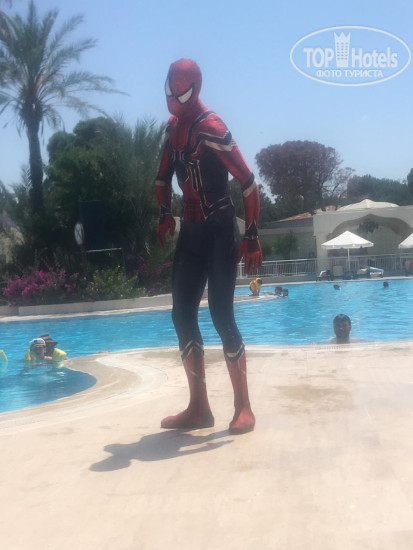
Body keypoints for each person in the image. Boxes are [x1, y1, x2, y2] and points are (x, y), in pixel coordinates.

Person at [155, 59, 262, 434]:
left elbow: (248, 182)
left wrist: (251, 236)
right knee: (181, 314)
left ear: (194, 89)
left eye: (179, 92)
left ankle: (243, 406)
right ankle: (199, 407)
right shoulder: (173, 130)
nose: (173, 99)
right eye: (169, 90)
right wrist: (165, 213)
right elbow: (161, 178)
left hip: (219, 229)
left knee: (221, 314)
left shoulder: (211, 127)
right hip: (191, 231)